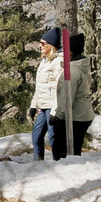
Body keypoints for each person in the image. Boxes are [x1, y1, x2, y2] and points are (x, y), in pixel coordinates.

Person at [51, 32, 94, 159]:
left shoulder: (72, 71)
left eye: (65, 49)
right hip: (82, 115)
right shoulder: (79, 67)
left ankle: (68, 175)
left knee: (62, 152)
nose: (62, 52)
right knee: (74, 151)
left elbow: (67, 97)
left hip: (75, 117)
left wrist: (58, 116)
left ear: (71, 51)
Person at [29, 27, 63, 161]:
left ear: (51, 45)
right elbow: (40, 86)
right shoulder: (44, 61)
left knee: (53, 138)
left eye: (43, 43)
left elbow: (59, 88)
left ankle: (58, 162)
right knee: (36, 135)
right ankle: (38, 164)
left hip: (52, 106)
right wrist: (33, 105)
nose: (40, 45)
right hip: (43, 106)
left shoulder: (57, 62)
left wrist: (55, 110)